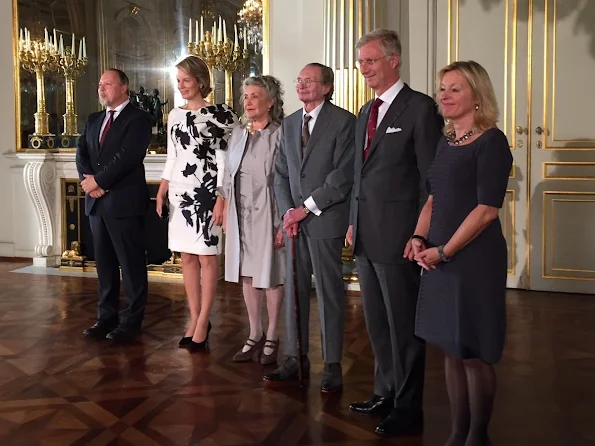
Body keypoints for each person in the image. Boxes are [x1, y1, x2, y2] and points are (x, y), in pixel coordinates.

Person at [405, 60, 512, 446]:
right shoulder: (447, 140)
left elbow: (486, 210)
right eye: (443, 88)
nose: (444, 96)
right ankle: (456, 433)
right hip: (439, 256)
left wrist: (444, 252)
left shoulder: (492, 142)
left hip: (474, 260)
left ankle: (477, 437)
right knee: (450, 347)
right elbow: (434, 196)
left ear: (477, 97)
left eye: (455, 89)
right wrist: (419, 237)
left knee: (473, 350)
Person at [346, 29, 443, 437]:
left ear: (393, 60)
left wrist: (421, 234)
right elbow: (358, 174)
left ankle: (408, 407)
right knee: (377, 324)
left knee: (404, 328)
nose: (364, 68)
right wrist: (352, 219)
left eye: (370, 60)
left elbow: (431, 180)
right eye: (361, 61)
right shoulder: (366, 110)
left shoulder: (420, 109)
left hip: (401, 238)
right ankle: (385, 391)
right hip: (365, 237)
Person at [264, 63, 356, 393]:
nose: (301, 85)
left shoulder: (344, 122)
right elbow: (282, 174)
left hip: (324, 219)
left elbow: (342, 177)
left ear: (327, 87)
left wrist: (305, 210)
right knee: (294, 289)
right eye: (299, 80)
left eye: (309, 80)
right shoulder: (289, 124)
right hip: (294, 223)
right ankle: (294, 356)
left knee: (330, 292)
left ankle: (332, 363)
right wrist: (289, 211)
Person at [156, 55, 238, 352]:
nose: (181, 87)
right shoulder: (174, 116)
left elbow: (225, 160)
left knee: (206, 257)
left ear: (201, 81)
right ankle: (194, 318)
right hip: (179, 194)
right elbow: (172, 156)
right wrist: (162, 191)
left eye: (186, 81)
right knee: (187, 258)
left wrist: (221, 197)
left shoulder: (220, 115)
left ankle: (204, 320)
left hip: (206, 193)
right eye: (178, 81)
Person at [76, 68, 153, 342]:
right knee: (105, 267)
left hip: (124, 204)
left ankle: (131, 322)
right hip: (97, 206)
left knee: (131, 266)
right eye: (100, 84)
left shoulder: (139, 119)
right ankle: (105, 317)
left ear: (123, 88)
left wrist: (100, 182)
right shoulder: (94, 119)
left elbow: (128, 157)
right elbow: (82, 152)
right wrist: (88, 181)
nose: (101, 88)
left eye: (107, 84)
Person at [222, 75, 286, 365]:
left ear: (270, 102)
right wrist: (222, 205)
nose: (247, 101)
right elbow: (228, 173)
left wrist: (283, 220)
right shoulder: (238, 133)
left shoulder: (282, 134)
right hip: (240, 211)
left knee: (270, 273)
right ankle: (255, 332)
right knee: (247, 272)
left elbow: (288, 180)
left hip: (269, 212)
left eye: (254, 96)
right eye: (245, 96)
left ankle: (273, 333)